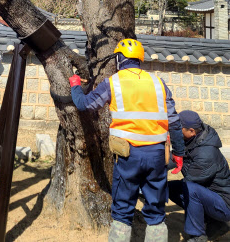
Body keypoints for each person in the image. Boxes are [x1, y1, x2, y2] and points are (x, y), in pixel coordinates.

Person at [69, 38, 185, 242]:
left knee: (122, 209)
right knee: (156, 210)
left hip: (128, 154)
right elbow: (174, 121)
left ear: (119, 59)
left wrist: (76, 86)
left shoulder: (113, 82)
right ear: (140, 59)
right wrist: (179, 153)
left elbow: (85, 105)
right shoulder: (158, 83)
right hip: (157, 154)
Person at [168, 110, 230, 242]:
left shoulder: (206, 153)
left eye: (179, 129)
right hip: (210, 195)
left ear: (191, 131)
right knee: (169, 188)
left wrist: (176, 158)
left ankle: (198, 236)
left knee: (189, 188)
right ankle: (215, 224)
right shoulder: (193, 140)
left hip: (224, 205)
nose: (175, 132)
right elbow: (176, 157)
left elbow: (190, 177)